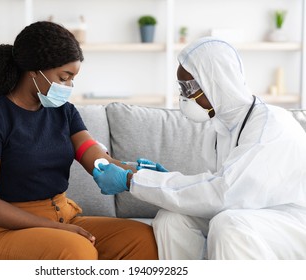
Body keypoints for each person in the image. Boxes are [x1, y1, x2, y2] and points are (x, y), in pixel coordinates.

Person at [93, 37, 306, 260]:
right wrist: (165, 179)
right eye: (181, 87)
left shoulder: (269, 126)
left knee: (229, 224)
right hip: (251, 211)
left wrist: (132, 180)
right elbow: (219, 186)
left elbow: (222, 194)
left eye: (190, 87)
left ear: (216, 82)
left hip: (289, 221)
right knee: (172, 218)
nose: (184, 96)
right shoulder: (222, 127)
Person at [0, 21, 158, 260]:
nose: (69, 87)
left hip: (63, 215)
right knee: (77, 251)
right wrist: (57, 229)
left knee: (143, 239)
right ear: (34, 69)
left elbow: (93, 156)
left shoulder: (64, 112)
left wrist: (139, 173)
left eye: (73, 79)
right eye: (64, 77)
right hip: (7, 229)